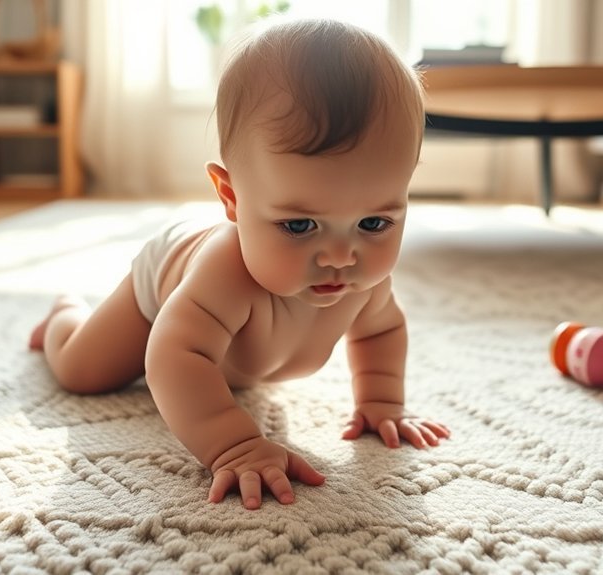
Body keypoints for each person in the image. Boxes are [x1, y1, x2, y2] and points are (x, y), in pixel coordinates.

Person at [29, 18, 450, 510]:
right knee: (83, 372)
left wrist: (381, 401)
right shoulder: (222, 276)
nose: (341, 257)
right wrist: (233, 443)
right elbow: (173, 357)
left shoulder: (367, 278)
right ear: (231, 197)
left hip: (238, 352)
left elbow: (379, 332)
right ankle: (64, 314)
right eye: (298, 225)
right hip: (162, 285)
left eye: (375, 223)